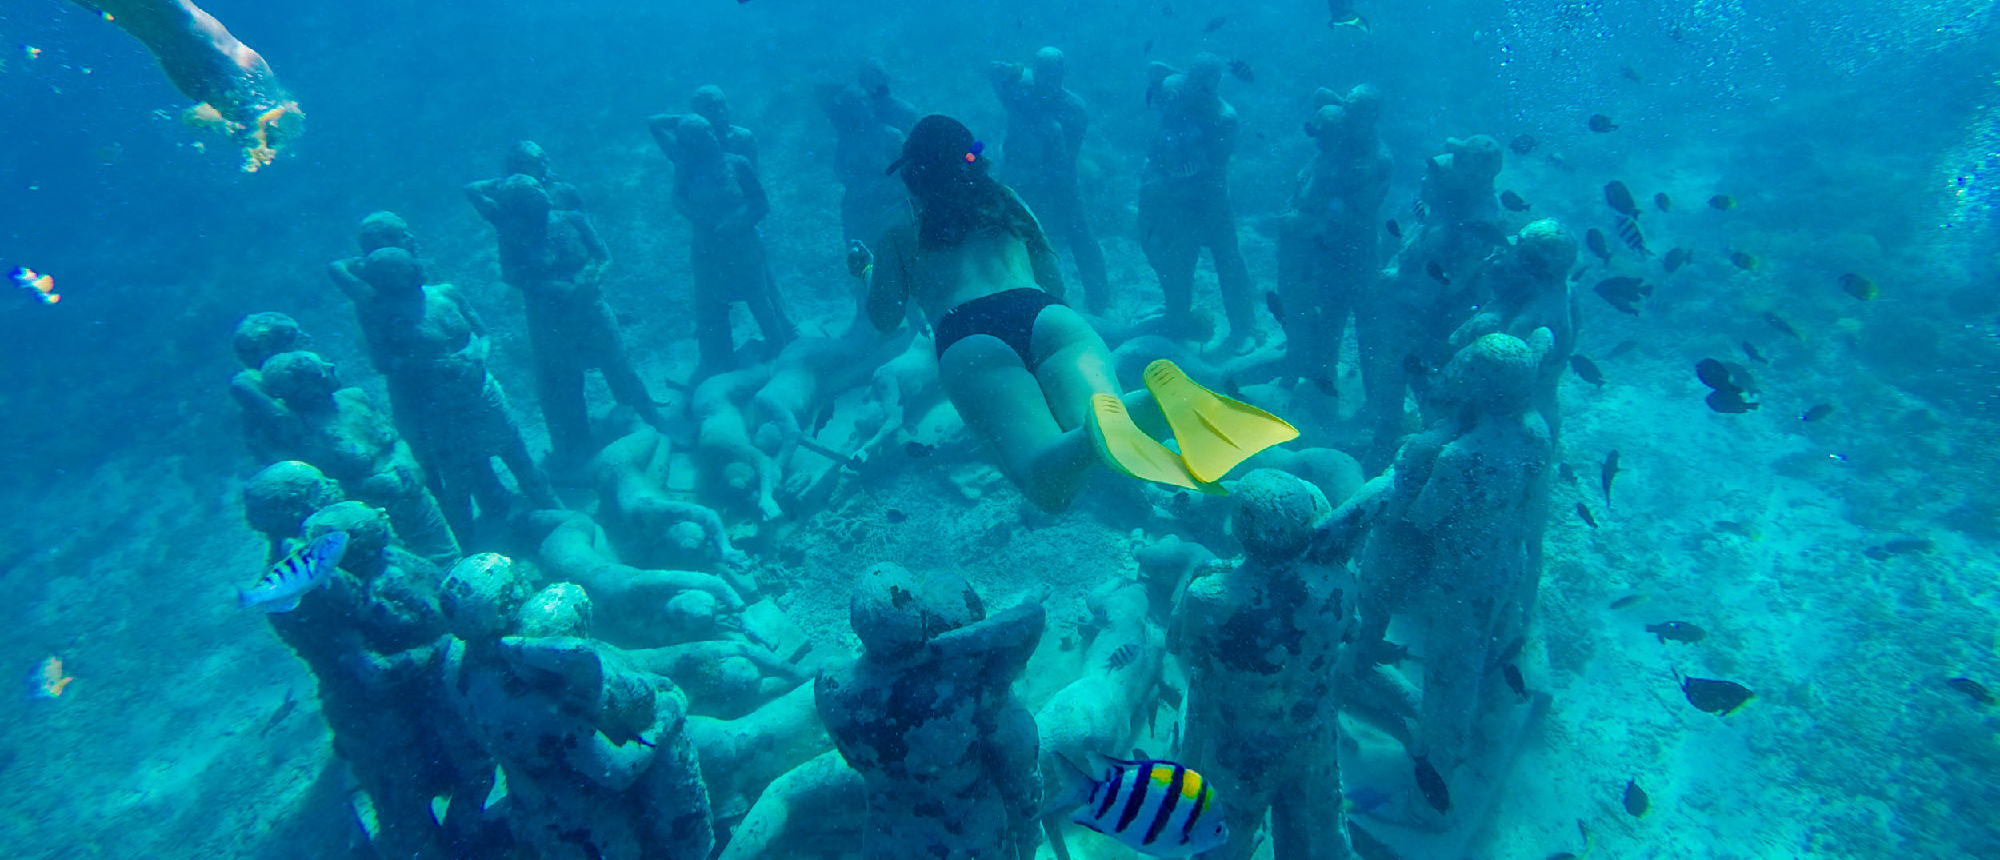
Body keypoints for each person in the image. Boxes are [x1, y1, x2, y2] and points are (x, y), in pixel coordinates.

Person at [849, 115, 1296, 512]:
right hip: (1048, 318)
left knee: (1048, 488)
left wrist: (868, 271)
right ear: (973, 160)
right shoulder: (1006, 201)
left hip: (970, 338)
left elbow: (885, 317)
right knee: (1109, 434)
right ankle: (1162, 399)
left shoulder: (899, 226)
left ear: (913, 175)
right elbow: (1055, 282)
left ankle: (1108, 423)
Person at [466, 159, 669, 467]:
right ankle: (579, 446)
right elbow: (512, 275)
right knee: (566, 380)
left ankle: (651, 421)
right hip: (551, 321)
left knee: (619, 365)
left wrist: (594, 276)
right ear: (520, 205)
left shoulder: (571, 219)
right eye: (531, 192)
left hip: (592, 309)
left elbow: (603, 255)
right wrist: (552, 287)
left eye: (538, 187)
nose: (541, 193)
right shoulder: (512, 234)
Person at [79, 0, 300, 170]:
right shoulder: (252, 77)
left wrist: (238, 131)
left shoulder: (212, 95)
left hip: (138, 21)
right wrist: (258, 138)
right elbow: (274, 113)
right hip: (168, 21)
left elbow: (193, 117)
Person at [1137, 55, 1258, 350]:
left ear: (1215, 85)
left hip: (1211, 199)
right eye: (1193, 81)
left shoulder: (1224, 118)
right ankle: (1176, 317)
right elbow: (1155, 68)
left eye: (1205, 84)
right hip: (1176, 199)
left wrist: (1170, 181)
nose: (1196, 90)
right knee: (1179, 260)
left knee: (1228, 260)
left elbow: (1211, 168)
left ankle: (1245, 329)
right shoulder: (1179, 88)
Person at [663, 115, 796, 378]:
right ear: (692, 143)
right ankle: (722, 361)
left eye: (710, 130)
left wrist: (738, 220)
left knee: (759, 298)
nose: (710, 137)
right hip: (708, 250)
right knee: (713, 305)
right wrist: (699, 217)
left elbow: (761, 203)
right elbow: (677, 199)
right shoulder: (686, 169)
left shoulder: (738, 164)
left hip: (743, 245)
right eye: (701, 135)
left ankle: (780, 352)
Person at [1275, 86, 1392, 383]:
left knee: (1368, 327)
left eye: (1353, 110)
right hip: (1332, 254)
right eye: (1346, 104)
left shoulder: (1375, 159)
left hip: (1359, 254)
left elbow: (1353, 214)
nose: (1345, 112)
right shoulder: (1344, 142)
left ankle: (1375, 404)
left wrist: (1305, 223)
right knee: (1330, 320)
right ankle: (1323, 389)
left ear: (1370, 117)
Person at [987, 47, 1109, 312]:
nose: (1048, 78)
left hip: (1059, 180)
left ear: (1063, 73)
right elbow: (994, 69)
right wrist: (1014, 69)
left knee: (1082, 235)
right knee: (1009, 236)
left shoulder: (1074, 108)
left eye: (1053, 72)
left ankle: (1100, 300)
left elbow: (1068, 158)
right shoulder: (1019, 89)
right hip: (1019, 177)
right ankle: (1012, 296)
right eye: (1042, 70)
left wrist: (1042, 177)